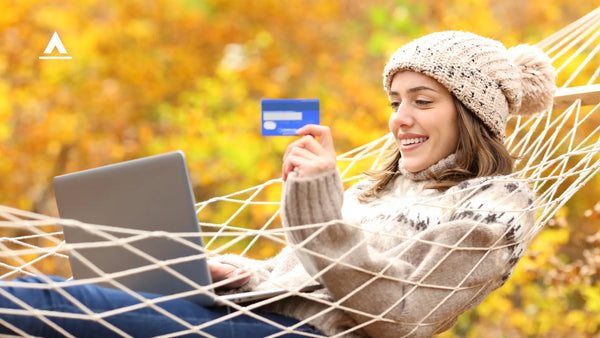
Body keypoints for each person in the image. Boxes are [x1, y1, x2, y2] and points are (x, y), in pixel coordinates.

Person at [0, 31, 556, 337]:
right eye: (395, 101)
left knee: (41, 304)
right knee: (50, 294)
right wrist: (239, 273)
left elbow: (402, 312)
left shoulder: (497, 203)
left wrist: (317, 209)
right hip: (254, 317)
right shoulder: (379, 189)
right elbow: (312, 278)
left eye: (423, 101)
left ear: (474, 115)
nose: (399, 118)